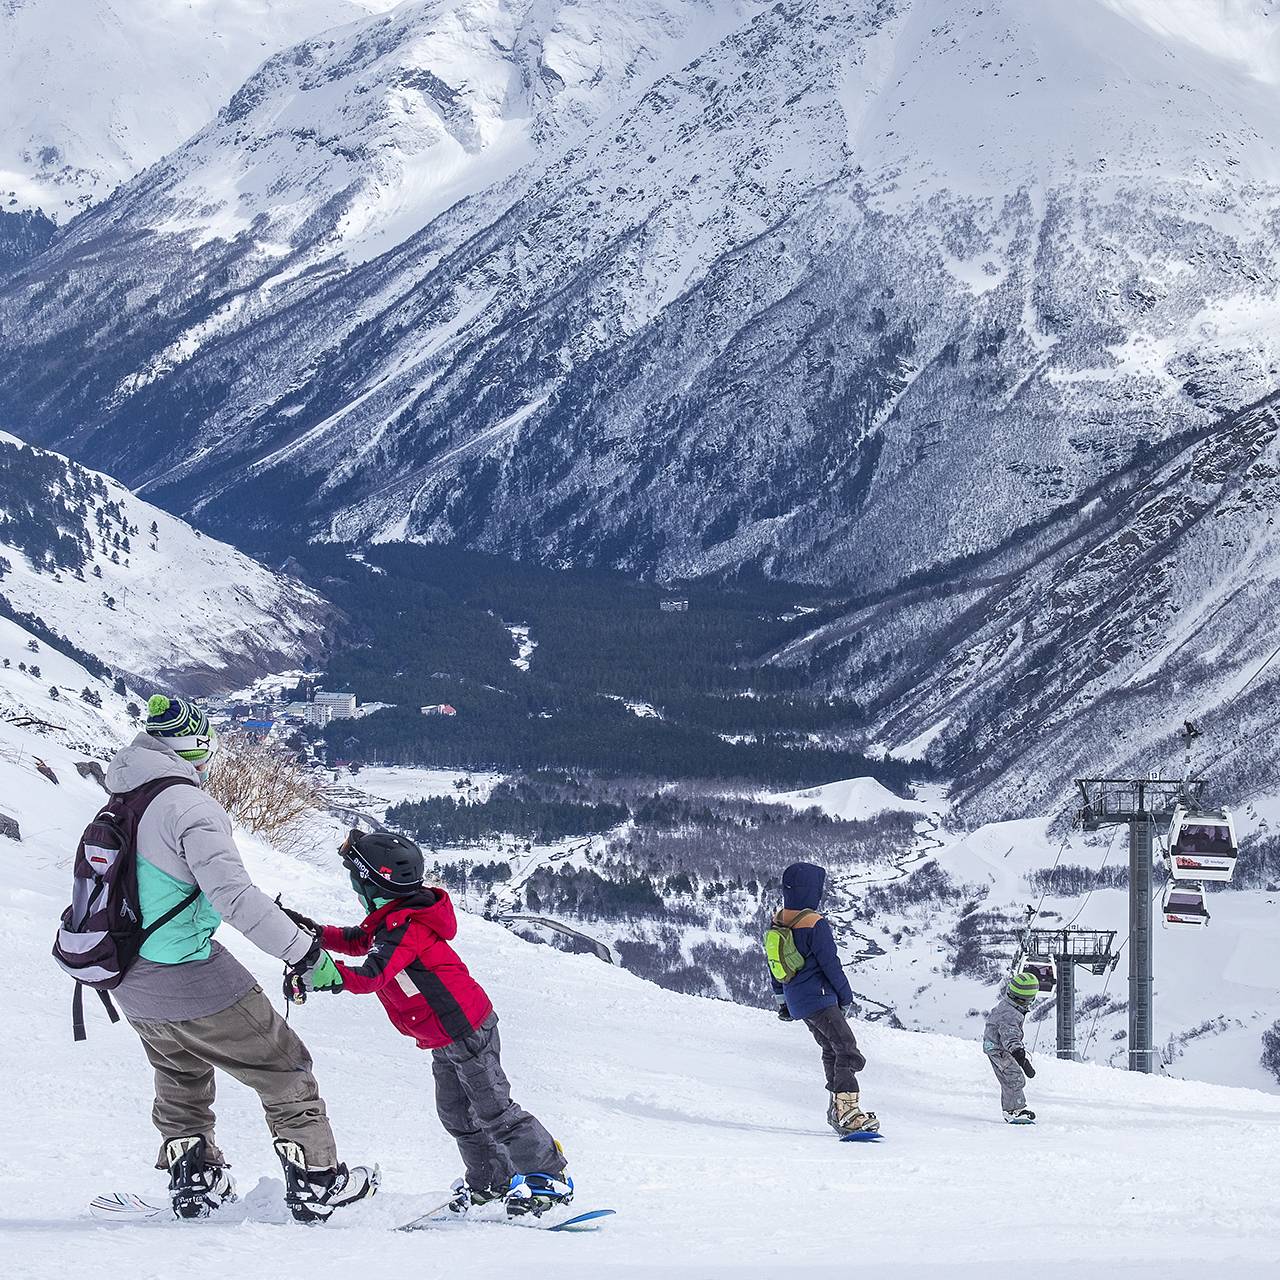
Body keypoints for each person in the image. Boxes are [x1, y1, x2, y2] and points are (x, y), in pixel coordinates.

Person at [106, 694, 377, 1221]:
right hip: (186, 972)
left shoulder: (122, 797)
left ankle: (194, 1179)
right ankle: (319, 1181)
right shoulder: (187, 805)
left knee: (179, 1071)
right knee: (283, 1066)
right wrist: (304, 953)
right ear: (193, 747)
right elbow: (234, 898)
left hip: (125, 975)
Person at [282, 829, 573, 1218]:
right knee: (455, 1113)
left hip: (466, 1029)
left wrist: (327, 974)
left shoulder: (406, 927)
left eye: (355, 878)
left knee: (493, 1110)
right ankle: (491, 1181)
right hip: (443, 1036)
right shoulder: (391, 918)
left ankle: (549, 1178)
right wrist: (317, 933)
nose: (352, 886)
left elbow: (372, 974)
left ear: (371, 882)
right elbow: (358, 940)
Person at [768, 861, 878, 1135]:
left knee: (831, 1048)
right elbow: (831, 964)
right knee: (846, 1048)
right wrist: (845, 995)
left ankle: (837, 1110)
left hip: (798, 1001)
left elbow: (774, 963)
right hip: (820, 998)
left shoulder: (779, 920)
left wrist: (783, 1002)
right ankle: (847, 1112)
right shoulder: (814, 923)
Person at [983, 971, 1039, 1123]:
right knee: (1014, 1078)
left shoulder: (1010, 1007)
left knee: (1011, 1078)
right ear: (1023, 999)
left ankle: (1015, 1108)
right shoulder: (1010, 1014)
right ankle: (1012, 1111)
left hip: (998, 1046)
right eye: (1030, 1000)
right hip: (999, 1049)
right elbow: (1010, 1035)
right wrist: (1019, 1054)